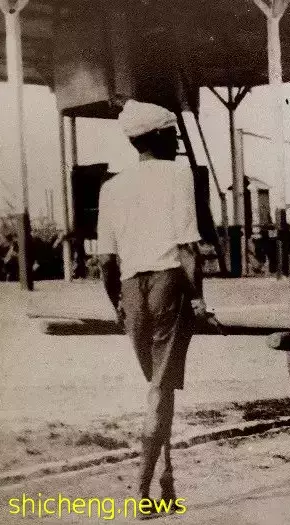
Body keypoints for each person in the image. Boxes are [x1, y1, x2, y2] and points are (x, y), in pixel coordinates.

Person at [96, 100, 206, 509]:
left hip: (130, 291)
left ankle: (167, 480)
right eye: (174, 134)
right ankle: (142, 492)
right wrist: (200, 299)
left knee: (161, 386)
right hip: (167, 285)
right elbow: (188, 248)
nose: (177, 141)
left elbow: (105, 260)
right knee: (160, 390)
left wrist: (118, 306)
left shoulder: (111, 186)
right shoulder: (179, 174)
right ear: (161, 137)